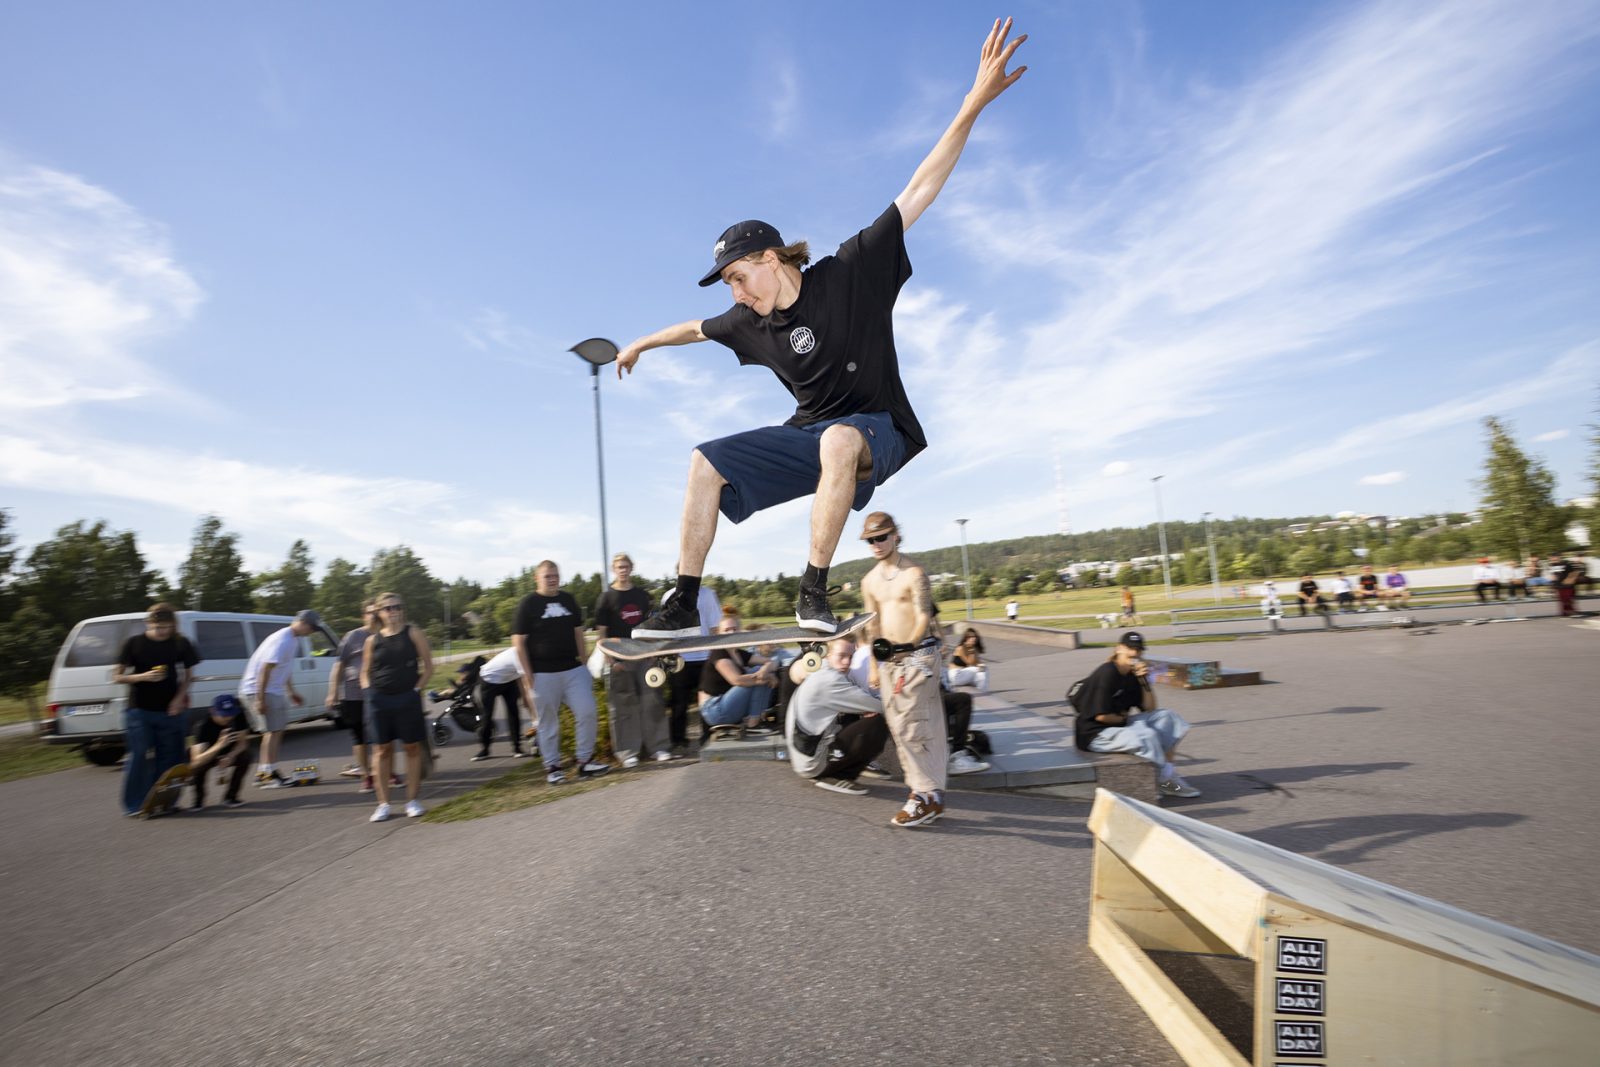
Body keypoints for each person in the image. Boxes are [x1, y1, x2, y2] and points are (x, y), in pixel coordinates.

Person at [621, 19, 1028, 639]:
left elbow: (919, 189)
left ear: (771, 259)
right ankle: (683, 599)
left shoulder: (851, 271)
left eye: (736, 277)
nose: (734, 294)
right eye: (727, 286)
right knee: (705, 461)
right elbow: (692, 330)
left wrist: (973, 101)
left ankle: (812, 591)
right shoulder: (746, 322)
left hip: (879, 431)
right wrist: (641, 344)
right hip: (810, 437)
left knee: (839, 438)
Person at [859, 511, 949, 828]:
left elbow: (924, 616)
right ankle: (933, 795)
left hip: (917, 658)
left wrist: (909, 648)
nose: (876, 544)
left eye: (881, 537)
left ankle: (920, 796)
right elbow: (873, 627)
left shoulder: (914, 574)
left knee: (911, 727)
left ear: (896, 535)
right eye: (870, 539)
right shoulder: (868, 581)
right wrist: (873, 665)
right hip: (888, 662)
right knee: (913, 727)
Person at [514, 560, 610, 785]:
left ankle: (585, 761)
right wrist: (528, 676)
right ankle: (553, 767)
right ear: (537, 578)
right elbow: (518, 643)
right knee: (548, 723)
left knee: (587, 711)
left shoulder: (568, 600)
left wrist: (585, 665)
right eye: (547, 576)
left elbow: (578, 633)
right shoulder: (528, 604)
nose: (553, 579)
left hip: (573, 670)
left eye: (555, 575)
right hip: (542, 673)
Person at [1072, 631, 1200, 798]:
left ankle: (1166, 774)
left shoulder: (1133, 676)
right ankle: (1164, 781)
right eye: (1130, 648)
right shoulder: (1107, 672)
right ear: (1119, 649)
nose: (1134, 653)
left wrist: (1144, 681)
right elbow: (1101, 717)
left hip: (1118, 725)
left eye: (1138, 650)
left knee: (1169, 718)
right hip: (1094, 734)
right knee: (1146, 735)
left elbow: (1150, 709)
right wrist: (1131, 722)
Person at [112, 603, 201, 817]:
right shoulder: (133, 644)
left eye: (166, 627)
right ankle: (134, 804)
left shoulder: (180, 643)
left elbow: (189, 676)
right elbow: (117, 676)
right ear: (148, 623)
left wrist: (178, 700)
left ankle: (163, 801)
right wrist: (142, 677)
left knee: (169, 757)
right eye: (157, 627)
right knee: (139, 754)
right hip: (139, 710)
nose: (162, 631)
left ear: (173, 625)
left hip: (170, 711)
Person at [360, 593, 434, 821]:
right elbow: (365, 672)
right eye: (389, 608)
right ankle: (383, 804)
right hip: (379, 700)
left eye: (397, 607)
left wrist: (415, 690)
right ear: (380, 613)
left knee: (412, 748)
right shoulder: (372, 640)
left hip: (407, 699)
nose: (394, 612)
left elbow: (429, 666)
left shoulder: (413, 633)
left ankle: (412, 800)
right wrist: (368, 693)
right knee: (382, 751)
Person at [594, 553, 673, 767]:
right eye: (619, 566)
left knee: (653, 702)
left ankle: (659, 748)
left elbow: (652, 627)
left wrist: (654, 653)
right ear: (614, 569)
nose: (623, 570)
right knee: (622, 708)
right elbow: (602, 633)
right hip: (620, 658)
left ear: (631, 568)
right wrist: (610, 659)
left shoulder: (642, 595)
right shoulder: (606, 598)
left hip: (644, 656)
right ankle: (628, 753)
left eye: (626, 566)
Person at [784, 638, 890, 795]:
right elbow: (881, 706)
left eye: (851, 656)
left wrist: (861, 707)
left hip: (806, 752)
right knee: (879, 723)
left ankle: (845, 763)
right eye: (841, 656)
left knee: (857, 712)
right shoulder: (830, 680)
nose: (847, 662)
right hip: (812, 763)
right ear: (826, 655)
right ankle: (837, 775)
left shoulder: (821, 671)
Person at [237, 609, 323, 789]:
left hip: (272, 691)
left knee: (275, 731)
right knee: (271, 732)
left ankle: (266, 772)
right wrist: (260, 699)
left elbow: (284, 669)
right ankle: (268, 774)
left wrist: (291, 692)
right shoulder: (282, 640)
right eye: (312, 629)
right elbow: (264, 670)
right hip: (260, 690)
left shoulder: (292, 639)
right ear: (304, 623)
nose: (311, 633)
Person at [327, 601, 380, 792]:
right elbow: (339, 665)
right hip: (353, 694)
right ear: (363, 616)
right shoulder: (353, 636)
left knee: (380, 736)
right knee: (360, 737)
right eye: (369, 612)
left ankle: (382, 771)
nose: (374, 615)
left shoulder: (386, 635)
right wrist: (333, 691)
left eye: (377, 612)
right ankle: (367, 776)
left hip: (379, 692)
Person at [665, 581, 723, 755]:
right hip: (681, 658)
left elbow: (715, 627)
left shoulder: (708, 594)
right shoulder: (668, 596)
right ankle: (678, 740)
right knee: (679, 704)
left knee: (706, 700)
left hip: (705, 656)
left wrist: (716, 653)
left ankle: (707, 737)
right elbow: (665, 628)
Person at [697, 614, 778, 735]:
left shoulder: (739, 653)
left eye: (734, 629)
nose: (731, 632)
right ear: (719, 633)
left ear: (740, 631)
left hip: (726, 703)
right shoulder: (718, 652)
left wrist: (765, 670)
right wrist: (766, 675)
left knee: (760, 672)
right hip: (714, 709)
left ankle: (757, 719)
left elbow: (771, 662)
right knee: (757, 676)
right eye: (726, 630)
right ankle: (754, 722)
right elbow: (736, 680)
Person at [188, 693, 252, 810]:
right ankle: (198, 800)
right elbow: (196, 760)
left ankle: (230, 797)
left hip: (229, 751)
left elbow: (243, 743)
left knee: (246, 757)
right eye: (223, 715)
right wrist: (219, 745)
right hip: (209, 753)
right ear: (213, 711)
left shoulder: (239, 715)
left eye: (231, 714)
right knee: (198, 767)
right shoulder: (202, 726)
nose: (228, 718)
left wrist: (230, 756)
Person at [473, 646, 529, 761]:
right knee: (487, 715)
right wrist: (526, 697)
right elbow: (525, 678)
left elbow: (518, 675)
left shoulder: (528, 652)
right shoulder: (517, 653)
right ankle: (485, 750)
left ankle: (517, 748)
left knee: (513, 711)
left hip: (508, 680)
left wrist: (524, 697)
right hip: (489, 680)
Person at [947, 628, 989, 692]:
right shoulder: (960, 648)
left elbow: (977, 663)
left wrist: (982, 665)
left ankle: (982, 690)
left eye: (975, 637)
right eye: (970, 637)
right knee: (978, 670)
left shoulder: (973, 649)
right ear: (966, 638)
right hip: (955, 675)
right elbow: (970, 663)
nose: (973, 639)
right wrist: (972, 651)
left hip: (963, 674)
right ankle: (983, 691)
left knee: (983, 669)